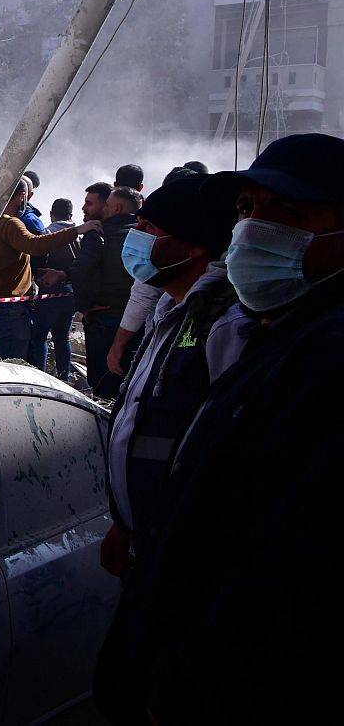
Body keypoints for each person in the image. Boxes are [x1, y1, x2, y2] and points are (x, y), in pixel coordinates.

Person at [94, 134, 344, 723]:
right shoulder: (266, 328)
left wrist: (190, 683)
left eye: (288, 215)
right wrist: (128, 523)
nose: (256, 231)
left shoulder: (301, 349)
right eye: (247, 212)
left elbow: (284, 566)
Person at [96, 173, 246, 584]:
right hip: (145, 533)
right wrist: (124, 521)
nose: (135, 236)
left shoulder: (225, 325)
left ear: (195, 246)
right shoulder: (169, 306)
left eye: (149, 229)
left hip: (187, 551)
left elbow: (229, 456)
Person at [0, 177, 92, 360]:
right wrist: (77, 231)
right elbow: (34, 245)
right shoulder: (10, 223)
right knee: (14, 361)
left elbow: (8, 260)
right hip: (11, 306)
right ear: (22, 197)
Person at [73, 185, 142, 399]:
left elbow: (81, 271)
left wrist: (85, 307)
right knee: (132, 380)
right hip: (137, 319)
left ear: (117, 208)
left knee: (103, 384)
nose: (105, 210)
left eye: (108, 206)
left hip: (104, 318)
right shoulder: (145, 236)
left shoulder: (99, 234)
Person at [28, 197, 80, 380]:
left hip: (49, 294)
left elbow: (39, 261)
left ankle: (39, 377)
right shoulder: (79, 235)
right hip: (71, 294)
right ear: (71, 215)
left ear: (51, 214)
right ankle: (64, 377)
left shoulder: (47, 234)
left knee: (39, 336)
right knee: (62, 337)